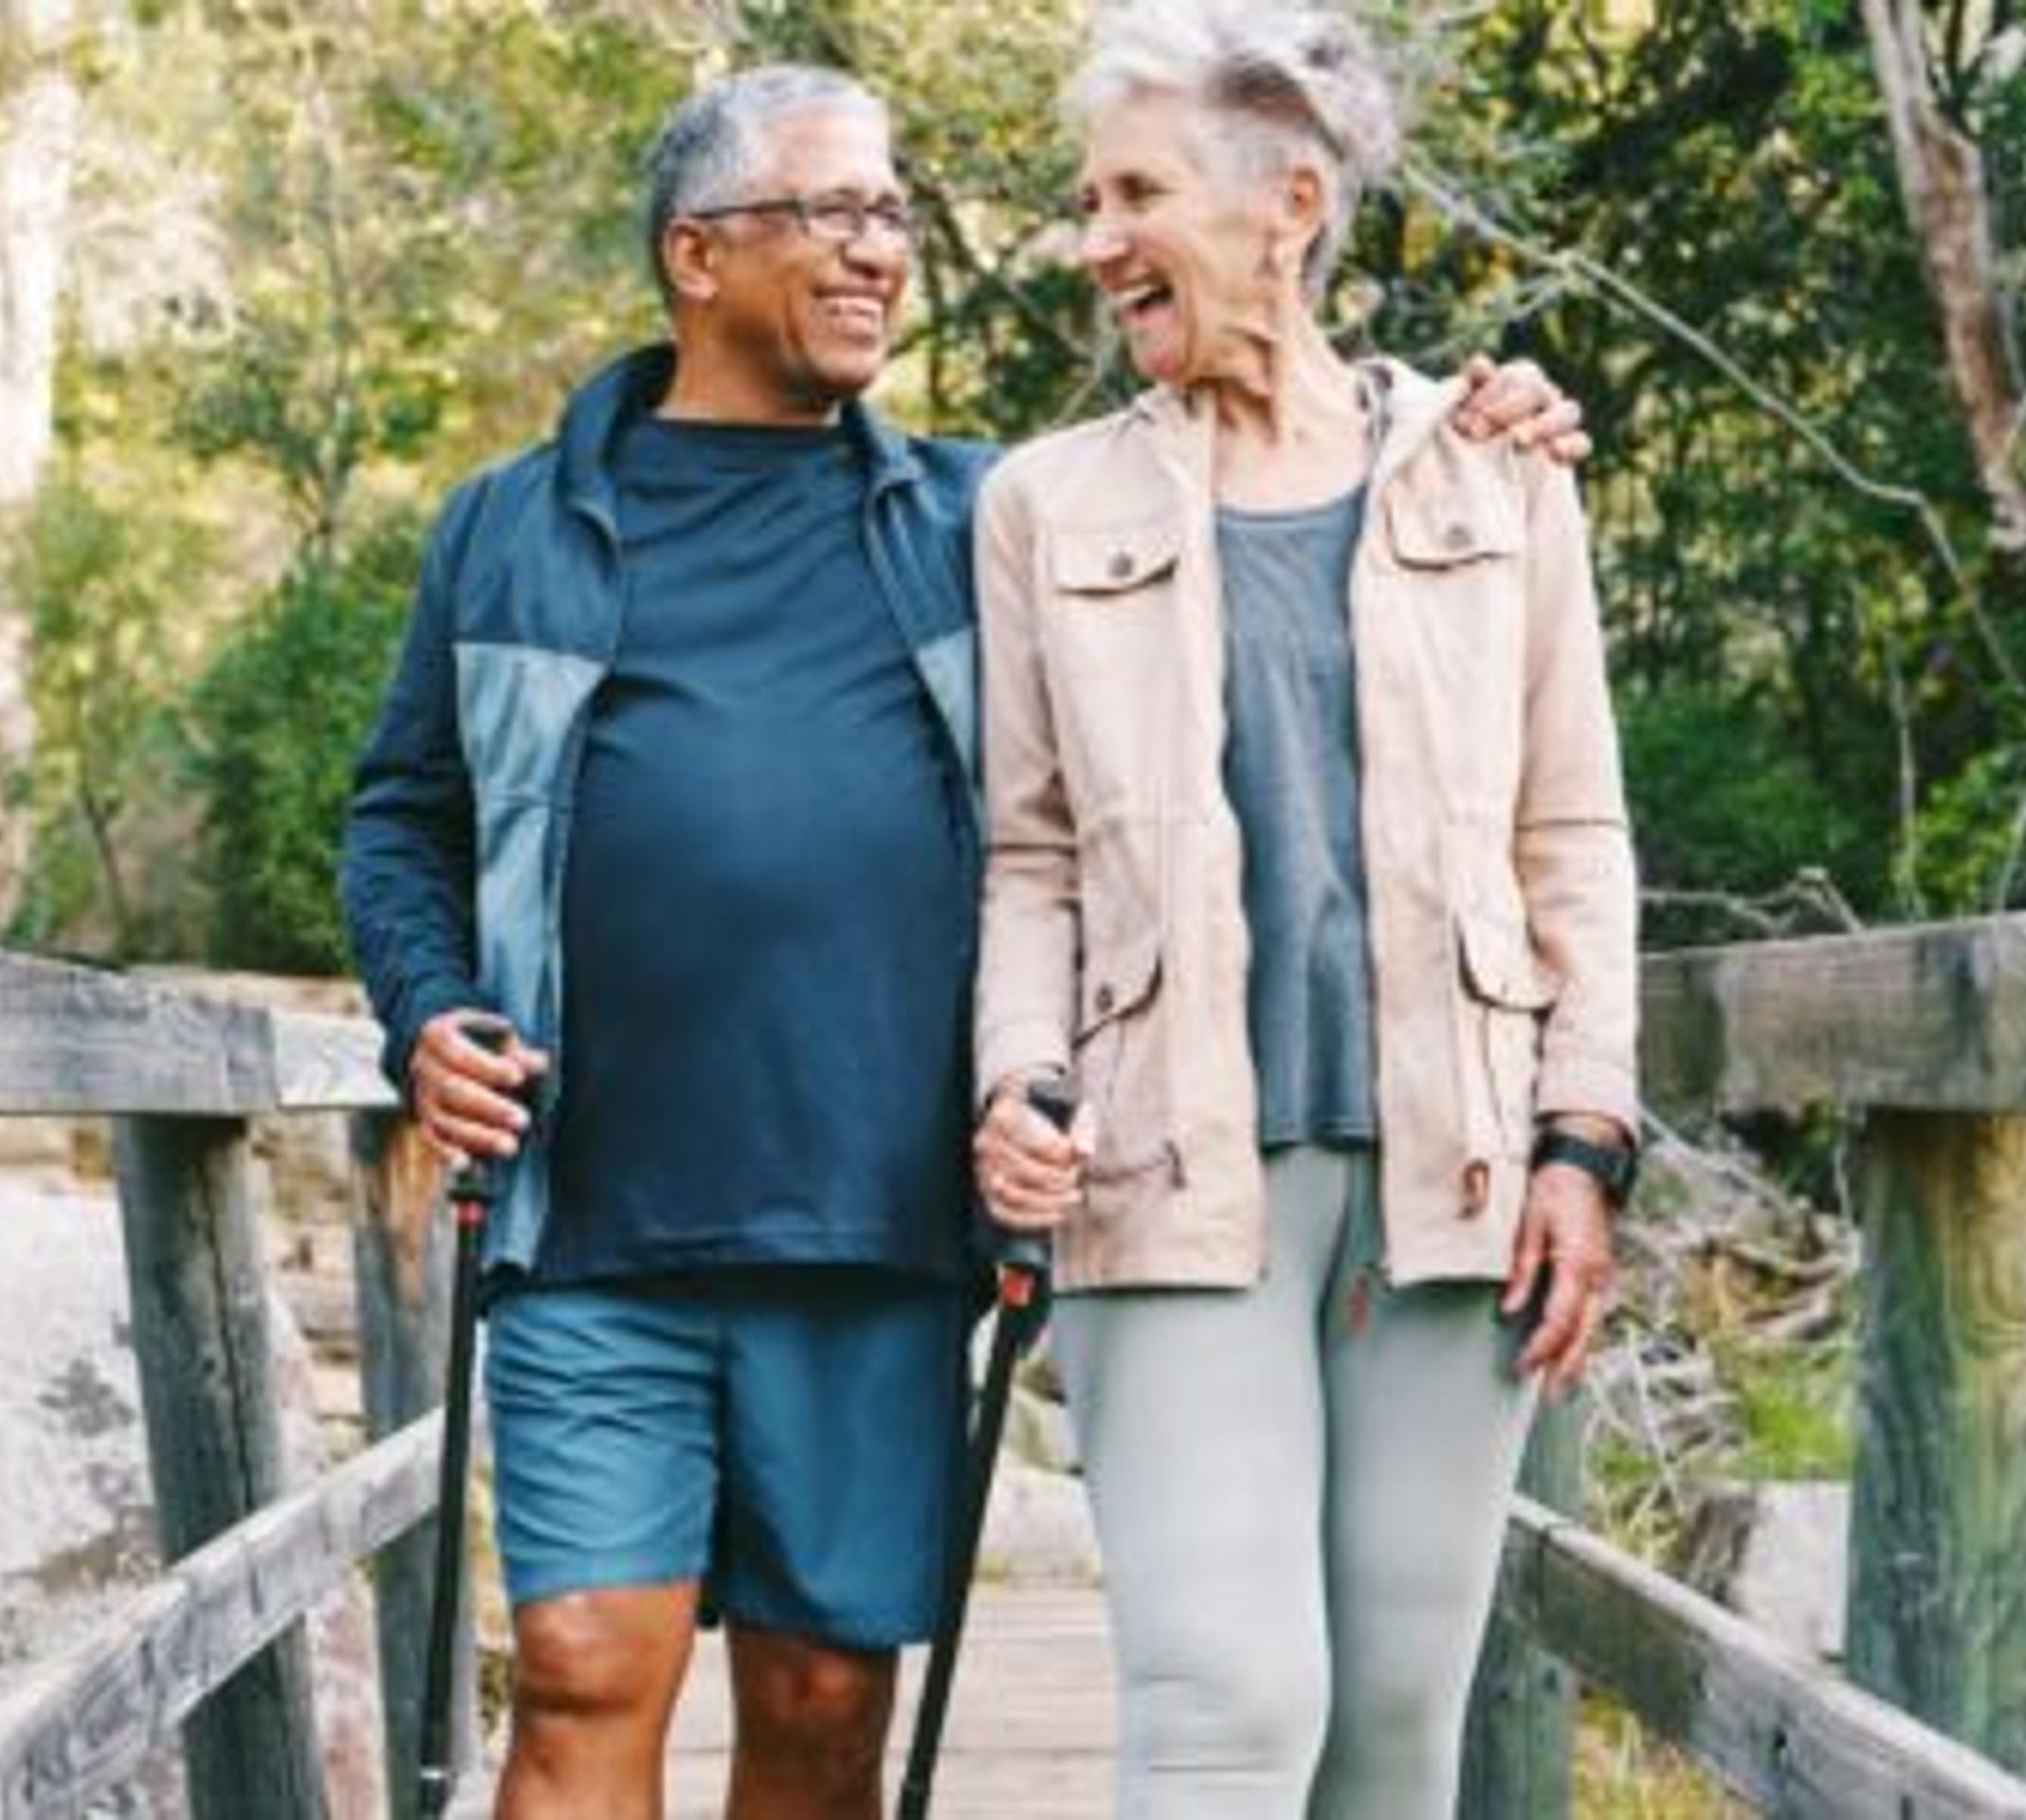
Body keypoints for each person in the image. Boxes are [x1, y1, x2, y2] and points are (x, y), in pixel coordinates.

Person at [344, 59, 1588, 1818]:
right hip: (591, 1205)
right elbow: (404, 818)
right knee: (576, 1673)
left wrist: (1472, 422)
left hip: (874, 1227)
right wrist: (425, 1014)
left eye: (895, 219)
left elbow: (1191, 654)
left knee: (824, 1703)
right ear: (696, 255)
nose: (881, 255)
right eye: (836, 214)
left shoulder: (983, 515)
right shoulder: (514, 528)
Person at [966, 5, 1641, 1816]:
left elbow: (1571, 828)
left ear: (1289, 202)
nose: (1097, 240)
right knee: (1228, 1703)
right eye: (1088, 198)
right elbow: (1028, 853)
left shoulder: (1497, 471)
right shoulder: (1046, 502)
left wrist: (1590, 1140)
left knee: (1395, 1723)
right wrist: (1013, 1077)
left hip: (1459, 1181)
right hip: (1165, 1169)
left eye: (1134, 193)